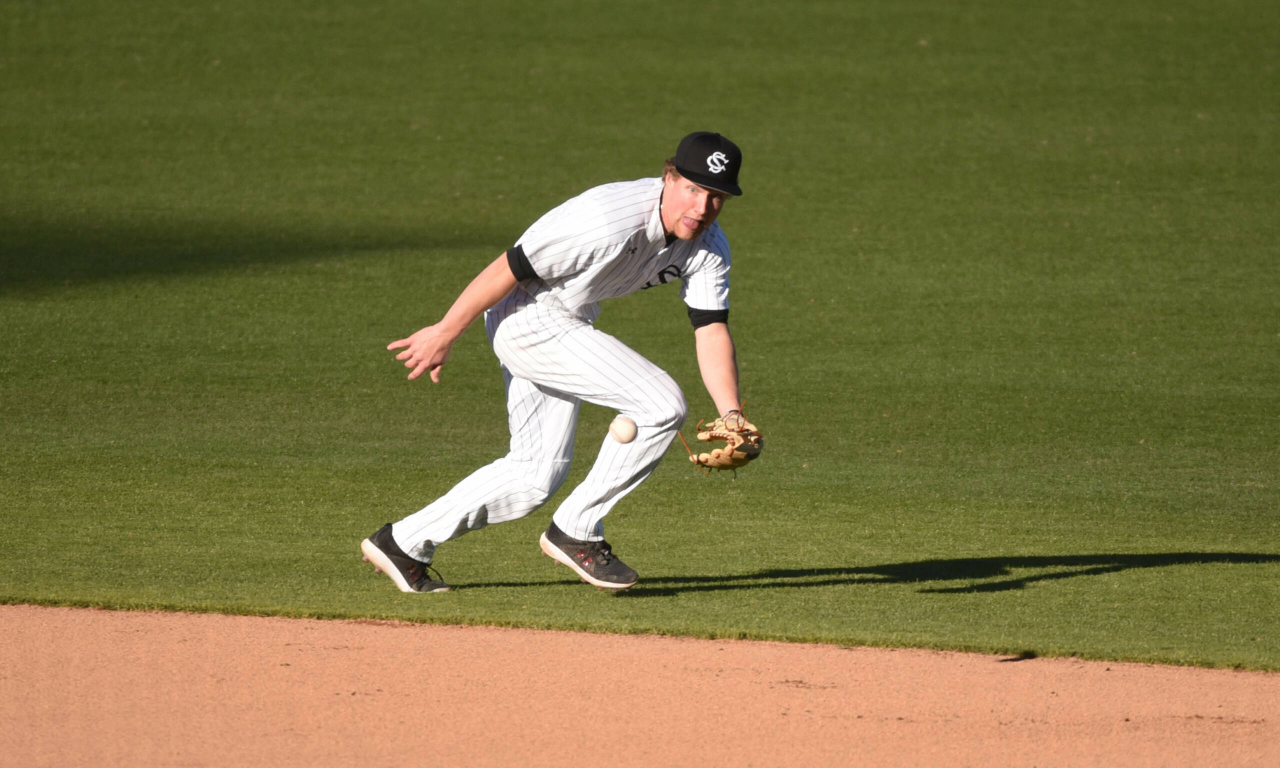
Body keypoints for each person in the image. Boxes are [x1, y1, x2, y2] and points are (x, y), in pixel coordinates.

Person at [361, 132, 750, 593]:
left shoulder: (708, 246)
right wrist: (445, 331)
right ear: (669, 177)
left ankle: (402, 543)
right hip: (526, 315)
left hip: (569, 316)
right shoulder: (607, 219)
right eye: (693, 188)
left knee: (533, 475)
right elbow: (508, 268)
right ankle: (576, 531)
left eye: (716, 196)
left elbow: (711, 328)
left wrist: (732, 413)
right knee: (661, 403)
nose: (702, 207)